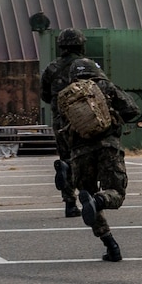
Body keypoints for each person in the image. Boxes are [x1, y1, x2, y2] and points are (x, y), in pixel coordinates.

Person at [54, 57, 141, 263]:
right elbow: (132, 110)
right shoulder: (105, 86)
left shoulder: (66, 97)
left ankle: (111, 246)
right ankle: (100, 200)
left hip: (79, 154)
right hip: (107, 148)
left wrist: (67, 157)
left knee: (88, 198)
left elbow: (62, 132)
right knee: (115, 194)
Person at [40, 28, 89, 217]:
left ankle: (70, 204)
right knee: (86, 158)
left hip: (61, 122)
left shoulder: (51, 68)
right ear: (81, 45)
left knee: (66, 157)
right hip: (84, 120)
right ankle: (89, 198)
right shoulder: (88, 65)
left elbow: (45, 95)